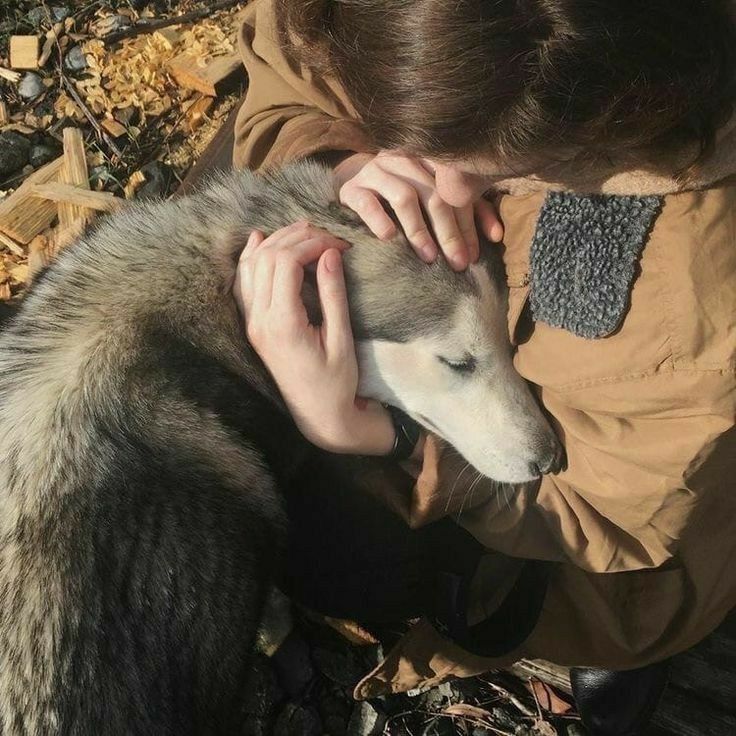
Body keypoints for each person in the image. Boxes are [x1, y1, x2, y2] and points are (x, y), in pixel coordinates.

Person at [230, 1, 736, 733]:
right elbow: (284, 61)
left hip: (605, 519)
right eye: (423, 145)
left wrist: (385, 443)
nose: (448, 195)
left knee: (332, 549)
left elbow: (604, 516)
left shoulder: (695, 305)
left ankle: (632, 644)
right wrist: (333, 164)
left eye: (508, 170)